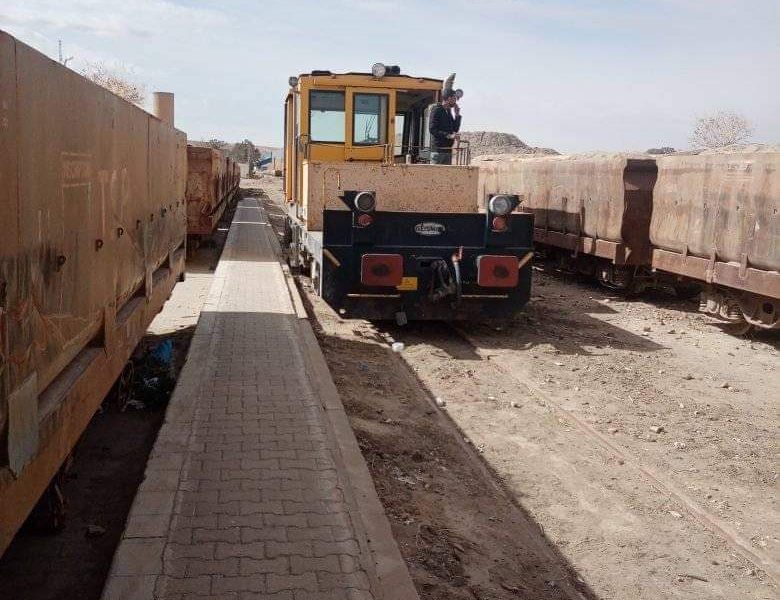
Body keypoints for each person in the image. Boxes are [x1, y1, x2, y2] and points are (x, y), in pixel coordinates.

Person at [429, 89, 461, 165]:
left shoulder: (448, 111)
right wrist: (448, 135)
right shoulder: (437, 110)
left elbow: (455, 128)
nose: (455, 101)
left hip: (448, 151)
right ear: (449, 98)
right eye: (454, 99)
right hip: (438, 152)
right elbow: (432, 129)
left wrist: (457, 115)